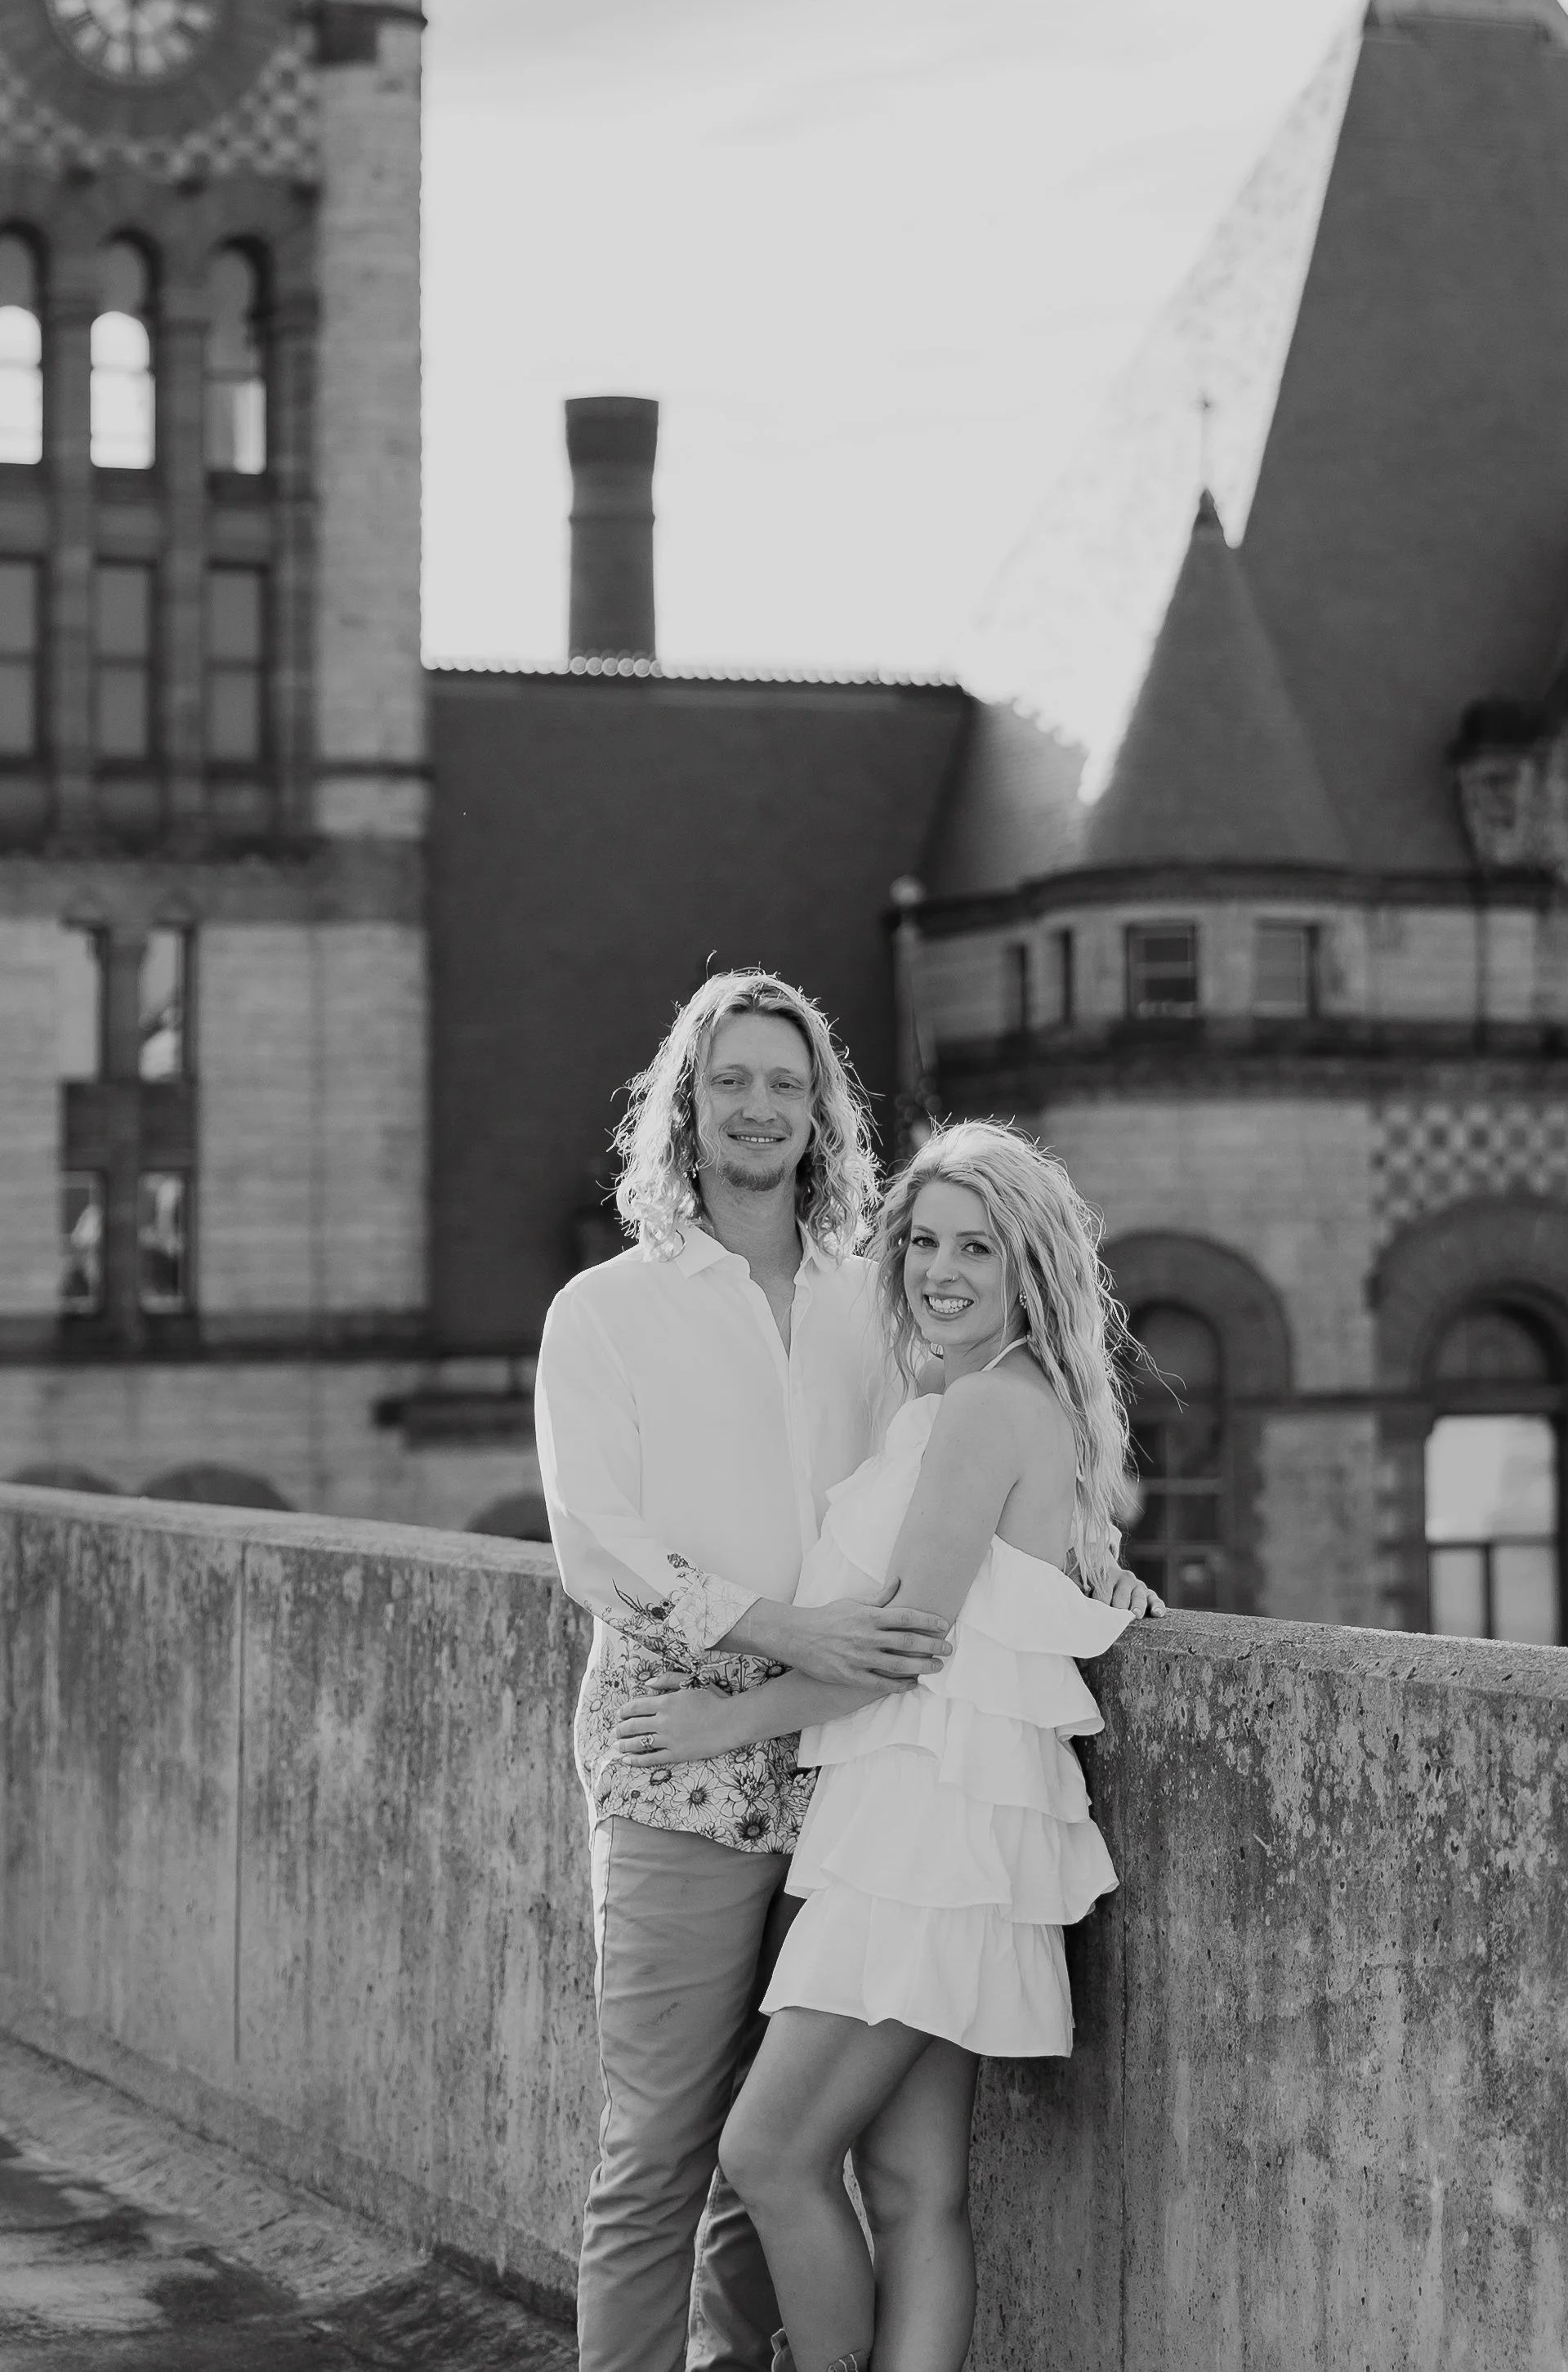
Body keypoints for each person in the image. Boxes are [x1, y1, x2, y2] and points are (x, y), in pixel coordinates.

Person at [611, 1119, 1162, 2372]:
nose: (940, 1271)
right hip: (933, 1820)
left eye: (977, 1247)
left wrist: (717, 1720)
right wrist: (1101, 1574)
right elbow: (1003, 1587)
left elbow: (904, 1641)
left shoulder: (982, 1407)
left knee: (766, 2152)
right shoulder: (986, 1401)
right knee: (910, 2187)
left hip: (926, 1827)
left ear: (1030, 1266)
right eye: (923, 1243)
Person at [537, 971, 955, 2372]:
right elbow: (597, 1539)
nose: (759, 1107)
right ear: (686, 1107)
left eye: (787, 1082)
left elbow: (952, 1465)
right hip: (680, 1746)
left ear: (822, 1110)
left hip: (845, 1747)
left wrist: (1097, 1558)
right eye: (730, 1082)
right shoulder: (605, 1310)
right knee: (656, 2142)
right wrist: (778, 1628)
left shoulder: (872, 1304)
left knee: (765, 2156)